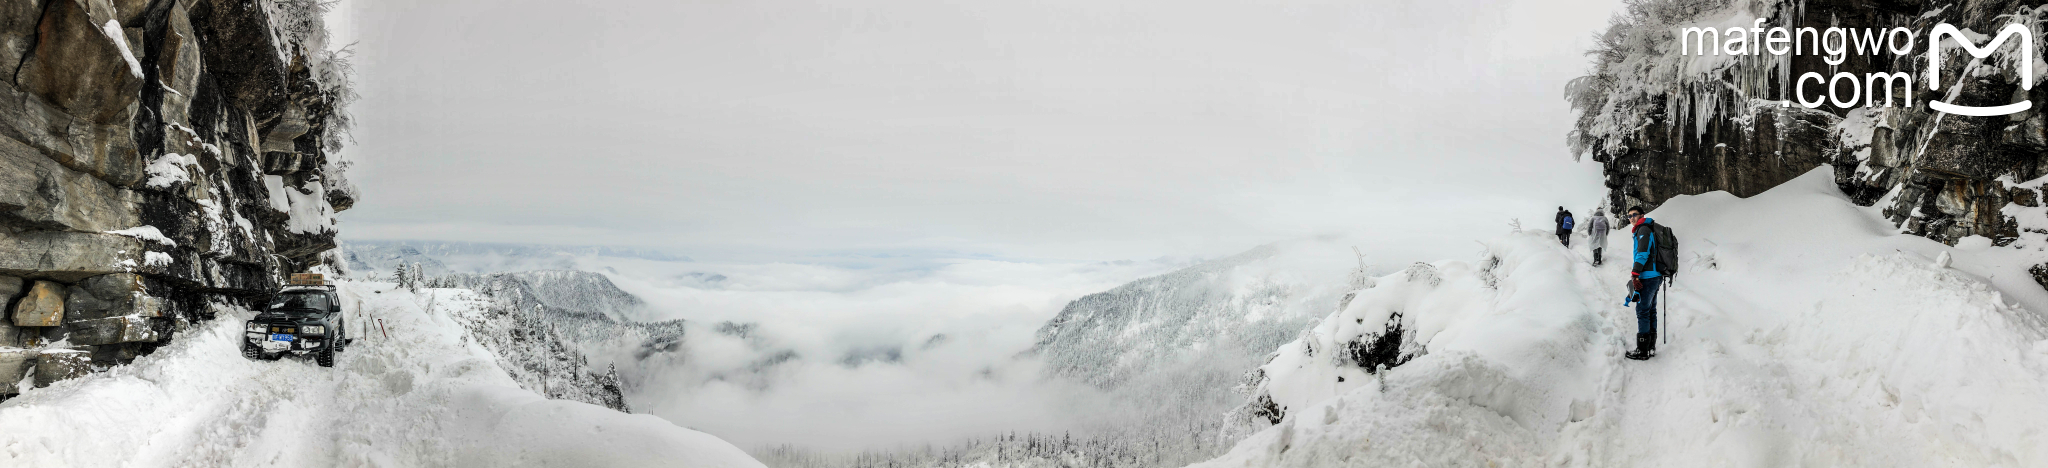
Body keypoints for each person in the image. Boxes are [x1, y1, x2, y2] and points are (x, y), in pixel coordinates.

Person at [1624, 206, 1663, 361]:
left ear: (1642, 215)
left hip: (1648, 276)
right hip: (1655, 275)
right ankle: (1650, 347)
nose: (1632, 218)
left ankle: (1642, 351)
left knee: (1643, 311)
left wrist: (1635, 273)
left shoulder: (1643, 230)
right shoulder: (1647, 228)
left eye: (1634, 215)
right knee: (1650, 310)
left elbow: (1643, 253)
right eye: (1629, 216)